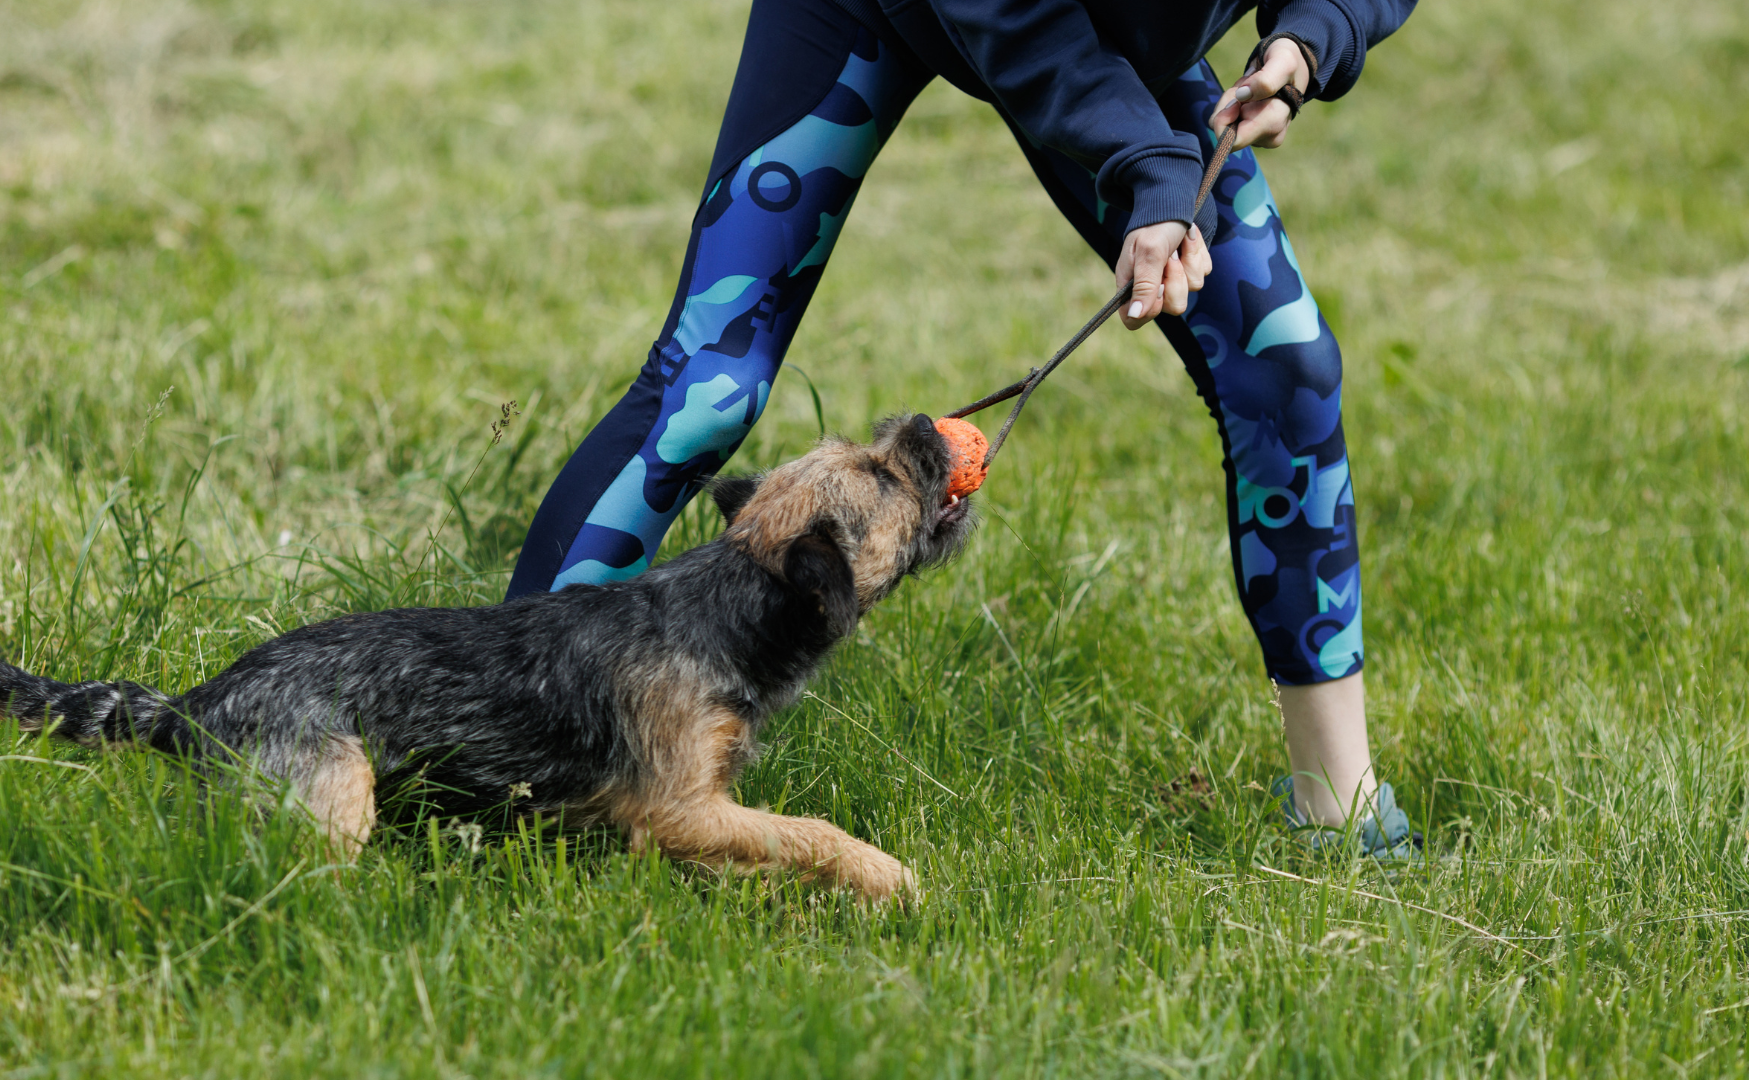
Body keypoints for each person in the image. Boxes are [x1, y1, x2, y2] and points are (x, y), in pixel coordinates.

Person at [506, 0, 1419, 855]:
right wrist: (1148, 163)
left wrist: (1309, 37)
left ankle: (1337, 802)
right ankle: (508, 752)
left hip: (1122, 47)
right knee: (709, 389)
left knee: (1287, 366)